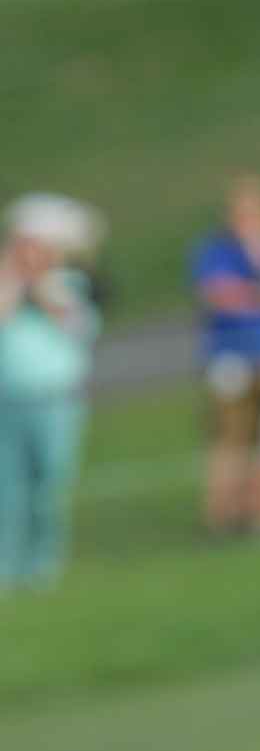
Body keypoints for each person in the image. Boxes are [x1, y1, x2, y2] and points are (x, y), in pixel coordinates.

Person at [0, 193, 104, 589]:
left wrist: (39, 282)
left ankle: (44, 565)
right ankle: (8, 566)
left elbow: (75, 324)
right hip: (9, 400)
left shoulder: (67, 285)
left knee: (49, 486)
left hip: (57, 401)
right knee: (8, 490)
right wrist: (12, 277)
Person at [190, 174, 260, 535]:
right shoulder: (215, 249)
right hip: (230, 356)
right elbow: (219, 295)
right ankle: (222, 514)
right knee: (230, 440)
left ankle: (258, 511)